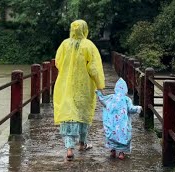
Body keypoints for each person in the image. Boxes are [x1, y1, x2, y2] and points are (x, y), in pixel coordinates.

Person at [53, 19, 105, 161]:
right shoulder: (89, 46)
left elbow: (57, 62)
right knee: (82, 114)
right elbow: (94, 68)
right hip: (84, 87)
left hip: (66, 85)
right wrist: (100, 85)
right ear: (85, 29)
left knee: (68, 114)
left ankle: (69, 149)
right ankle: (82, 144)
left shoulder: (64, 44)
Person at [95, 78, 142, 160]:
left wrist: (98, 92)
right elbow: (131, 109)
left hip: (112, 123)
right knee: (124, 135)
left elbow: (103, 100)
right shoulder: (127, 99)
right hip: (123, 124)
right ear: (125, 90)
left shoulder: (111, 97)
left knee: (112, 135)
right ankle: (121, 153)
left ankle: (113, 151)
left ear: (116, 88)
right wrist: (138, 108)